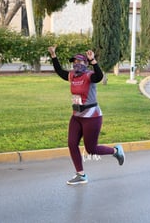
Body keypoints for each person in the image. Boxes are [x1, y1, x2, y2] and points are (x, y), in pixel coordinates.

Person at [48, 46, 125, 185]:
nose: (76, 63)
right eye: (74, 61)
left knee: (91, 149)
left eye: (80, 61)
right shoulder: (72, 75)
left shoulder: (89, 75)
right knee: (72, 144)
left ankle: (116, 150)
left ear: (86, 63)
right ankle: (81, 175)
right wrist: (54, 55)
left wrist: (93, 61)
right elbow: (59, 71)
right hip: (76, 116)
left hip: (92, 116)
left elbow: (99, 77)